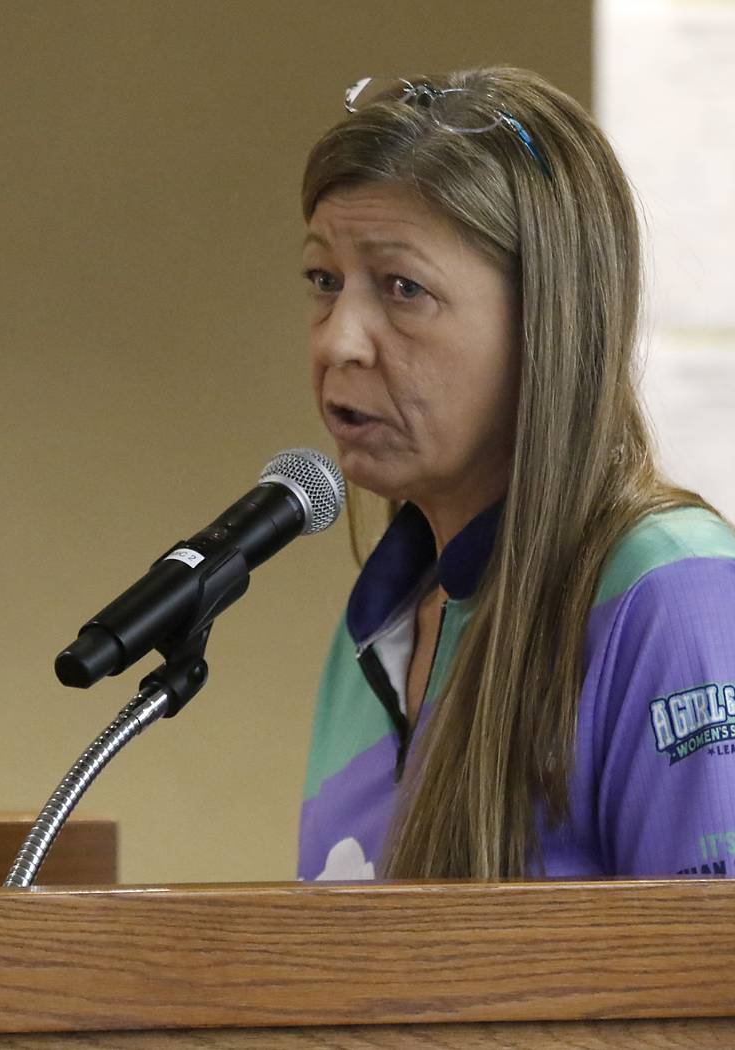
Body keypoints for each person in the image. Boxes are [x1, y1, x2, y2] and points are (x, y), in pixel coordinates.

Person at [296, 66, 735, 882]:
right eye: (326, 282)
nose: (338, 341)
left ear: (546, 323)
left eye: (402, 289)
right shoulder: (374, 628)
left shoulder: (670, 593)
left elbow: (713, 992)